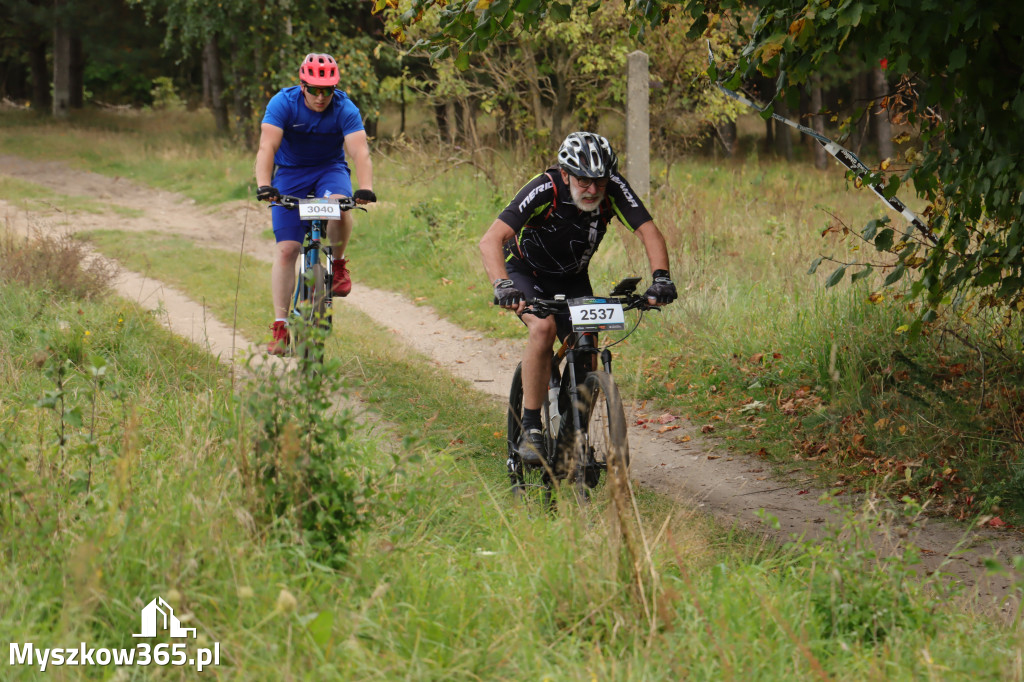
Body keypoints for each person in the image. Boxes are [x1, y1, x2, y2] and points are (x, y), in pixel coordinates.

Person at [479, 131, 677, 466]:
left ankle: (574, 435)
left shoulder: (613, 187)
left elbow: (648, 231)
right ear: (567, 174)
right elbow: (491, 240)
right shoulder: (547, 187)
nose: (592, 190)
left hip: (572, 279)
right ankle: (531, 429)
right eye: (584, 181)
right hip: (526, 273)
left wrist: (661, 279)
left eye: (599, 182)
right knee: (542, 330)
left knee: (587, 346)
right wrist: (502, 285)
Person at [255, 52, 376, 355]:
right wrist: (264, 185)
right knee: (287, 250)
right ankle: (280, 326)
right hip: (290, 174)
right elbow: (266, 146)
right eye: (314, 90)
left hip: (329, 170)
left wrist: (365, 188)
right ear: (302, 85)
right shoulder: (283, 103)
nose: (321, 97)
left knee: (339, 204)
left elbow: (360, 151)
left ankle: (337, 265)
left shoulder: (344, 107)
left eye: (327, 90)